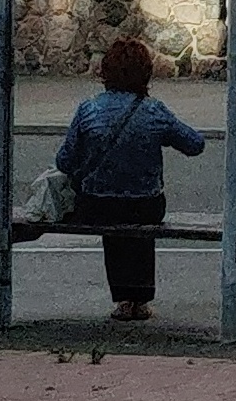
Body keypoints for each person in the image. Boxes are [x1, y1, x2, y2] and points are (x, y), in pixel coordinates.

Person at [55, 38, 205, 321]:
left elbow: (64, 161)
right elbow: (194, 144)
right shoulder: (154, 111)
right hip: (146, 204)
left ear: (106, 72)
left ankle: (123, 300)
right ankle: (141, 300)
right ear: (145, 74)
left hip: (97, 204)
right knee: (141, 224)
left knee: (112, 226)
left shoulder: (88, 109)